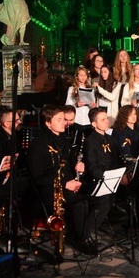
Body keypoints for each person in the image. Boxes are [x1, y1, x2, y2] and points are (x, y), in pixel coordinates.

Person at [28, 105, 91, 254]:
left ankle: (78, 234)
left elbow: (67, 167)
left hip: (65, 186)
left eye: (64, 119)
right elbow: (37, 178)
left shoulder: (64, 140)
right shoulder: (37, 145)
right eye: (59, 119)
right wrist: (65, 184)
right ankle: (81, 240)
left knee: (90, 194)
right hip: (49, 191)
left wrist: (78, 166)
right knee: (80, 204)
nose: (64, 122)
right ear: (48, 123)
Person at [80, 108, 122, 251]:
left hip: (113, 178)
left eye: (107, 118)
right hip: (97, 180)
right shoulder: (90, 141)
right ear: (93, 124)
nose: (107, 121)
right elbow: (92, 168)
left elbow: (117, 160)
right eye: (102, 119)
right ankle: (86, 236)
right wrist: (106, 176)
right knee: (104, 203)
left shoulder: (110, 138)